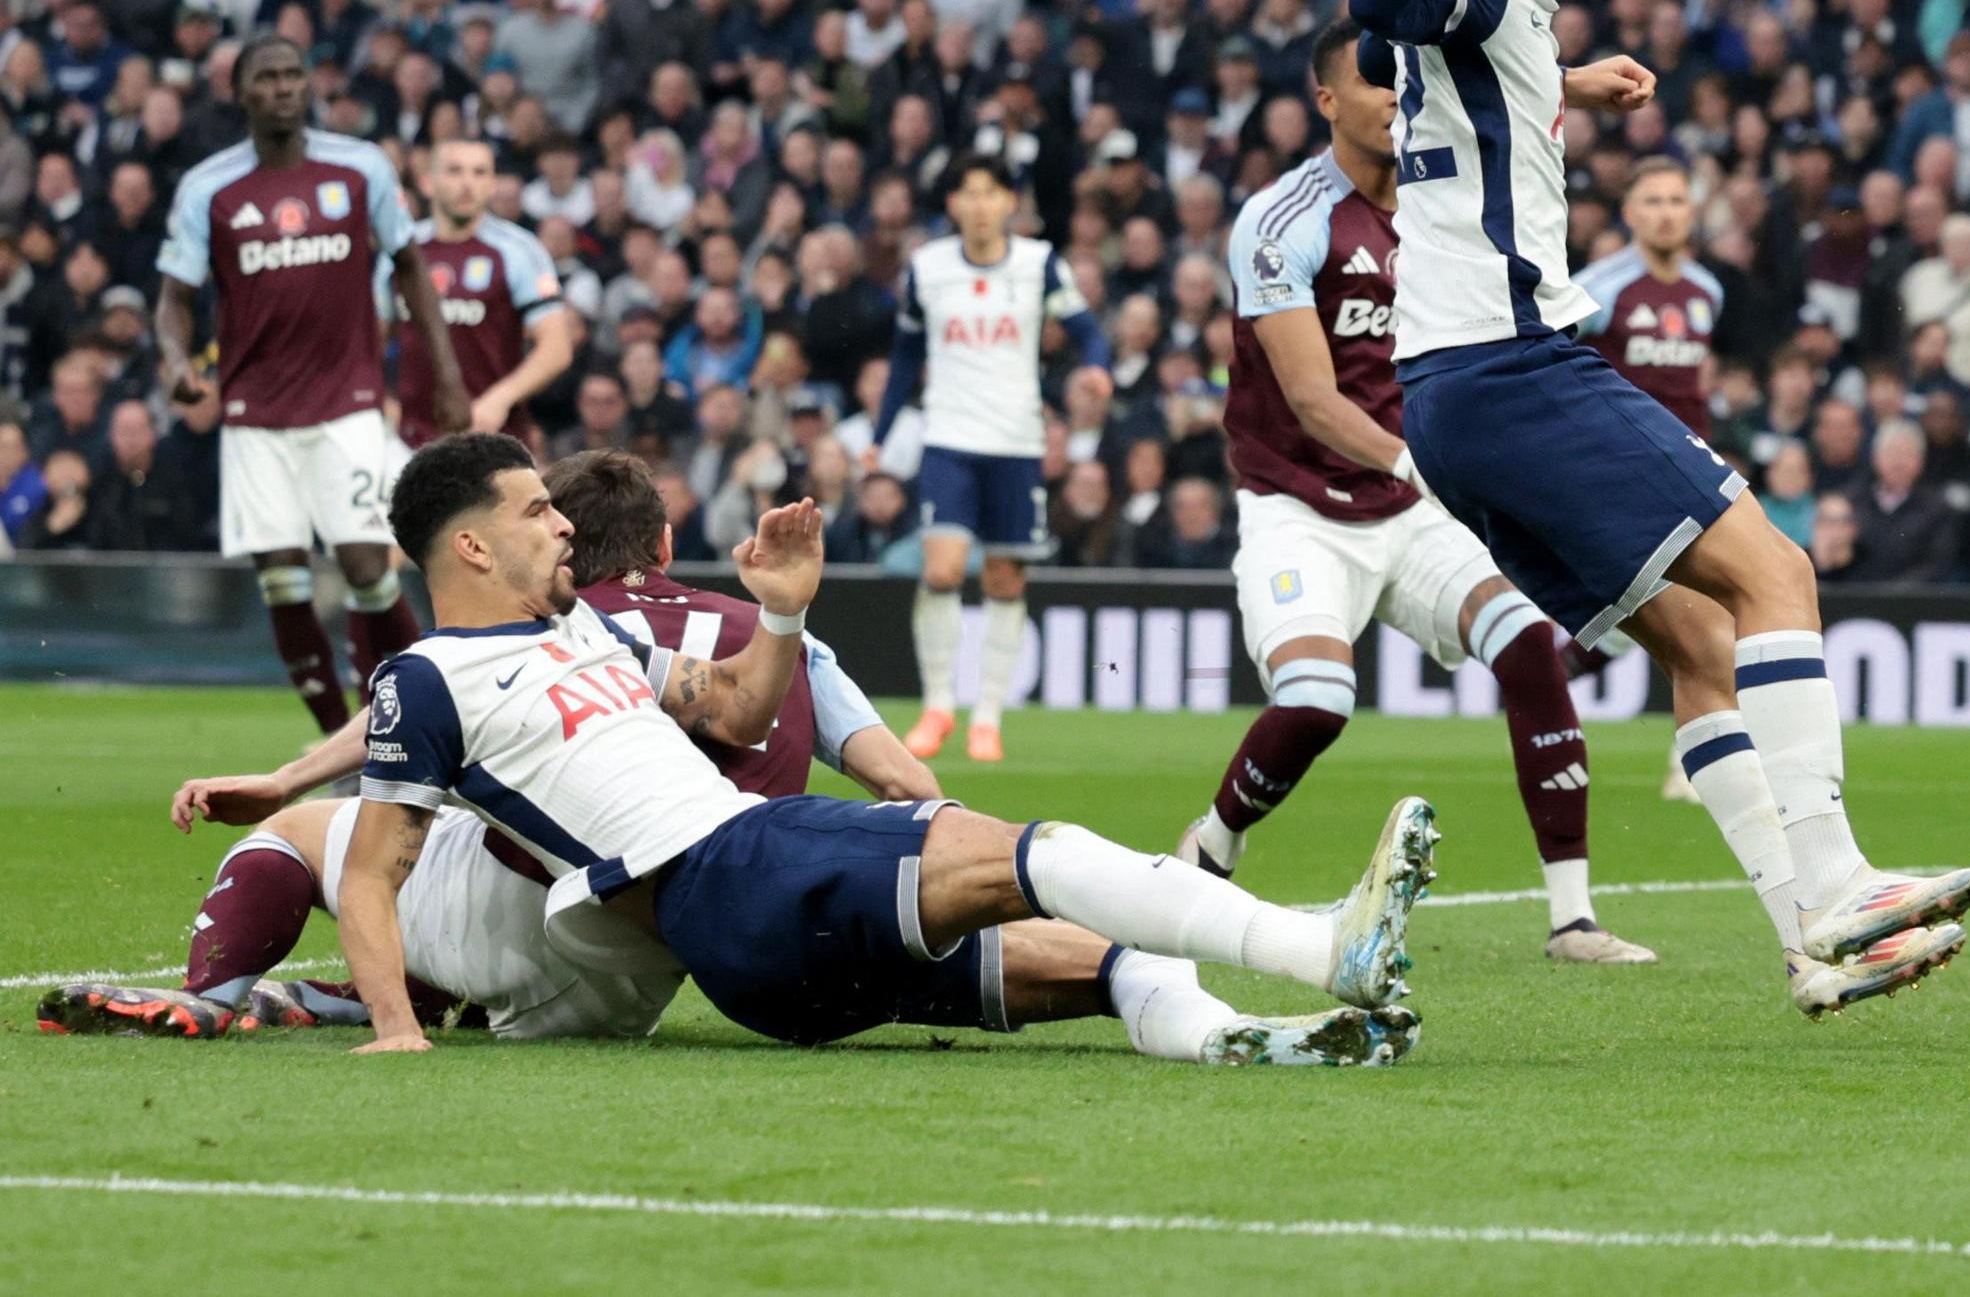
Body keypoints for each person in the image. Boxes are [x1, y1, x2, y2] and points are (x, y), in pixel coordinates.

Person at [1348, 0, 1970, 1017]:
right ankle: (1842, 877)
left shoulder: (1504, 7)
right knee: (1777, 571)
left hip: (1457, 396)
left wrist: (1557, 87)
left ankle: (1811, 945)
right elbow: (1376, 5)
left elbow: (1400, 68)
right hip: (1514, 366)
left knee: (1699, 640)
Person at [328, 432, 1430, 1063]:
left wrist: (785, 615)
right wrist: (393, 1028)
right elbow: (374, 870)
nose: (561, 522)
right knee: (1014, 852)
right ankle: (1316, 945)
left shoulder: (588, 630)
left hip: (751, 955)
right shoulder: (427, 680)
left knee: (1070, 955)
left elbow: (737, 713)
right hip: (723, 871)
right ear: (470, 544)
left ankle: (1228, 1033)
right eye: (532, 512)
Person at [42, 450, 933, 1040]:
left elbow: (419, 702)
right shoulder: (776, 636)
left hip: (557, 914)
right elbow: (900, 778)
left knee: (342, 833)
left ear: (567, 544)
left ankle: (219, 996)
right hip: (688, 952)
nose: (555, 528)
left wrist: (287, 781)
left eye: (553, 511)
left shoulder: (560, 624)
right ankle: (351, 997)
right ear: (665, 543)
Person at [1184, 18, 1657, 967]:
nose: (1399, 97)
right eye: (1374, 84)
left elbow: (1495, 99)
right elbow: (1314, 401)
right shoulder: (1282, 222)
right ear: (1327, 102)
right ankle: (1211, 846)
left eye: (1405, 83)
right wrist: (1416, 466)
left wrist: (1575, 82)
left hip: (1410, 509)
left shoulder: (1441, 209)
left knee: (1529, 646)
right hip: (1301, 510)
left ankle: (1573, 918)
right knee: (1317, 702)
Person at [156, 36, 471, 731]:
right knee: (281, 577)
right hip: (254, 413)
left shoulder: (360, 169)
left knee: (365, 563)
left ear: (309, 85)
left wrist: (446, 378)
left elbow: (411, 265)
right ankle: (337, 739)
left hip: (347, 403)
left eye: (293, 74)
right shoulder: (208, 188)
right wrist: (177, 363)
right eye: (266, 78)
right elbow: (175, 295)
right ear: (240, 93)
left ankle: (412, 726)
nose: (282, 88)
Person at [878, 154, 1106, 764]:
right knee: (944, 570)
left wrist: (1099, 369)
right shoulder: (927, 269)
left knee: (1005, 578)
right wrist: (881, 430)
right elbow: (904, 356)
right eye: (968, 194)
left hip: (1016, 441)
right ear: (952, 204)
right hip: (949, 437)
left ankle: (988, 718)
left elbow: (1087, 330)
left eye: (991, 193)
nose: (980, 206)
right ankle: (937, 707)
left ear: (1010, 202)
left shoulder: (1039, 265)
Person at [396, 138, 581, 443]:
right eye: (455, 171)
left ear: (493, 185)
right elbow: (369, 335)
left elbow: (557, 347)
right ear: (427, 182)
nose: (467, 183)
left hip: (493, 435)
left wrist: (500, 398)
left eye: (480, 172)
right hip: (408, 438)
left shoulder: (519, 250)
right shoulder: (403, 249)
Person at [1577, 154, 1725, 440]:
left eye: (1676, 201)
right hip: (1621, 448)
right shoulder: (1597, 288)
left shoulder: (1708, 290)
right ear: (1628, 213)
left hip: (1692, 448)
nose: (1666, 214)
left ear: (1691, 212)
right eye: (1653, 202)